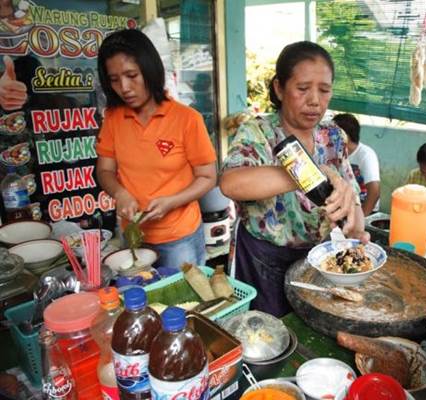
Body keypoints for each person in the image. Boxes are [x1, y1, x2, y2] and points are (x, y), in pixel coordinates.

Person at [220, 41, 367, 317]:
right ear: (279, 88)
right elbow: (231, 183)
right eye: (302, 89)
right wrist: (307, 173)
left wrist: (355, 228)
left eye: (324, 90)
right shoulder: (258, 132)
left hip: (316, 260)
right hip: (263, 261)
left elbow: (351, 201)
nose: (315, 100)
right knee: (266, 333)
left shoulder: (332, 136)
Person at [95, 29, 217, 268]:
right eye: (114, 79)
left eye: (132, 75)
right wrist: (120, 193)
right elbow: (105, 171)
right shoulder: (113, 118)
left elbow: (208, 177)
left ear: (150, 71)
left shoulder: (187, 119)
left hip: (178, 237)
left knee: (185, 301)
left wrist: (172, 201)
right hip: (132, 234)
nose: (125, 87)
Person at [332, 113, 381, 215]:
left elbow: (374, 192)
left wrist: (361, 218)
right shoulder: (334, 152)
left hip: (365, 208)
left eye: (332, 133)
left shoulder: (366, 155)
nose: (329, 137)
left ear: (344, 136)